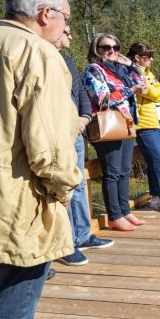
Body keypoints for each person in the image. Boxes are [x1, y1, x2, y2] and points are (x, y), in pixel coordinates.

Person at [0, 0, 81, 319]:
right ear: (44, 13)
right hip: (18, 206)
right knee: (13, 314)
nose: (66, 26)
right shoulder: (38, 53)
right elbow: (50, 148)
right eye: (66, 18)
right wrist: (64, 188)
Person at [58, 30, 114, 267]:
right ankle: (66, 243)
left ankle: (81, 235)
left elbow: (80, 91)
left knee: (79, 182)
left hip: (77, 131)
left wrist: (84, 116)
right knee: (64, 186)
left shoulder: (66, 59)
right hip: (58, 131)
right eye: (65, 30)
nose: (70, 34)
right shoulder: (40, 57)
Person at [83, 33, 147, 231]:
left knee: (125, 171)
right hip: (108, 125)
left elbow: (141, 81)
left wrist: (130, 64)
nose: (112, 51)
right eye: (106, 47)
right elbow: (102, 99)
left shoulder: (121, 70)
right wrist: (130, 91)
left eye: (116, 47)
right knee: (112, 172)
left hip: (125, 123)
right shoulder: (94, 70)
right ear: (97, 50)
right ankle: (114, 215)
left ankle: (124, 210)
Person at [128, 42, 160, 216]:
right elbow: (153, 92)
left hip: (158, 121)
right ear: (137, 58)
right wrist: (154, 92)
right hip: (144, 124)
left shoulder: (148, 73)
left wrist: (153, 92)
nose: (151, 59)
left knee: (157, 160)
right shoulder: (132, 73)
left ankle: (156, 196)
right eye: (147, 56)